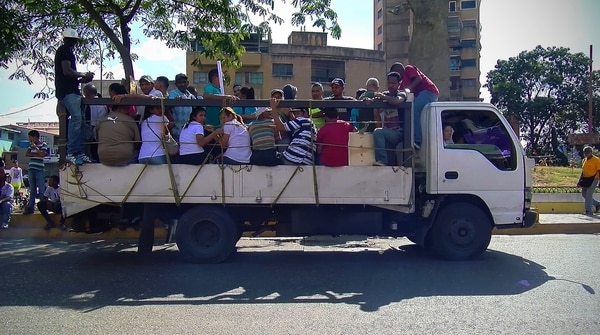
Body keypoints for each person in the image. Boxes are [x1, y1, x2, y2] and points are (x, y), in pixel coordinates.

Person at [54, 28, 94, 165]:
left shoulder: (67, 51)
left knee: (81, 121)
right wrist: (83, 74)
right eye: (71, 40)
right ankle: (71, 152)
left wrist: (83, 79)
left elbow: (70, 76)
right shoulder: (64, 50)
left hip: (71, 91)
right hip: (67, 92)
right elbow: (66, 71)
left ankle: (79, 152)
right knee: (77, 118)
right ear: (66, 39)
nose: (73, 42)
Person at [390, 62, 439, 150]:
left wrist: (406, 91)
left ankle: (417, 140)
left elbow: (418, 79)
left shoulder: (408, 69)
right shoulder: (402, 84)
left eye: (396, 73)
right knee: (410, 112)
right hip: (420, 95)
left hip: (429, 91)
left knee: (414, 110)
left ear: (399, 70)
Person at [372, 72, 407, 166]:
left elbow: (397, 101)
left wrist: (383, 97)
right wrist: (371, 101)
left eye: (393, 83)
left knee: (378, 132)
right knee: (390, 163)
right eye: (389, 83)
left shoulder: (401, 94)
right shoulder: (384, 94)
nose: (390, 85)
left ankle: (382, 160)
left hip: (398, 132)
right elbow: (376, 113)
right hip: (387, 133)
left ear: (399, 84)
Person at [270, 99, 316, 165]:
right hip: (306, 161)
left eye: (298, 113)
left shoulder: (302, 120)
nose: (296, 116)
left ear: (305, 113)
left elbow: (280, 127)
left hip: (292, 158)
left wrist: (273, 109)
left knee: (267, 159)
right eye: (294, 114)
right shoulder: (310, 125)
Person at [24, 130, 48, 215]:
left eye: (30, 137)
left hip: (39, 169)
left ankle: (43, 207)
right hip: (31, 168)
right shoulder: (31, 146)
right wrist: (38, 153)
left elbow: (43, 154)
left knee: (41, 189)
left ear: (35, 137)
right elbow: (27, 154)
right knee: (32, 189)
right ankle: (31, 208)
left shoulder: (43, 144)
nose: (30, 139)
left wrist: (36, 148)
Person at [168, 73, 198, 140]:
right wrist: (175, 100)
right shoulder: (173, 93)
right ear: (176, 84)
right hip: (176, 130)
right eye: (180, 82)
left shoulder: (190, 95)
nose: (182, 84)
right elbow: (168, 106)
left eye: (184, 82)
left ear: (187, 83)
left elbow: (196, 107)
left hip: (188, 130)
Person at [578, 146, 600, 215]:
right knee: (584, 194)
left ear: (591, 152)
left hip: (594, 179)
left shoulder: (596, 160)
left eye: (587, 152)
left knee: (589, 195)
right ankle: (597, 205)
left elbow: (599, 171)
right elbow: (583, 171)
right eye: (585, 152)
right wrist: (579, 181)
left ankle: (588, 211)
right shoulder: (584, 160)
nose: (586, 153)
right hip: (586, 179)